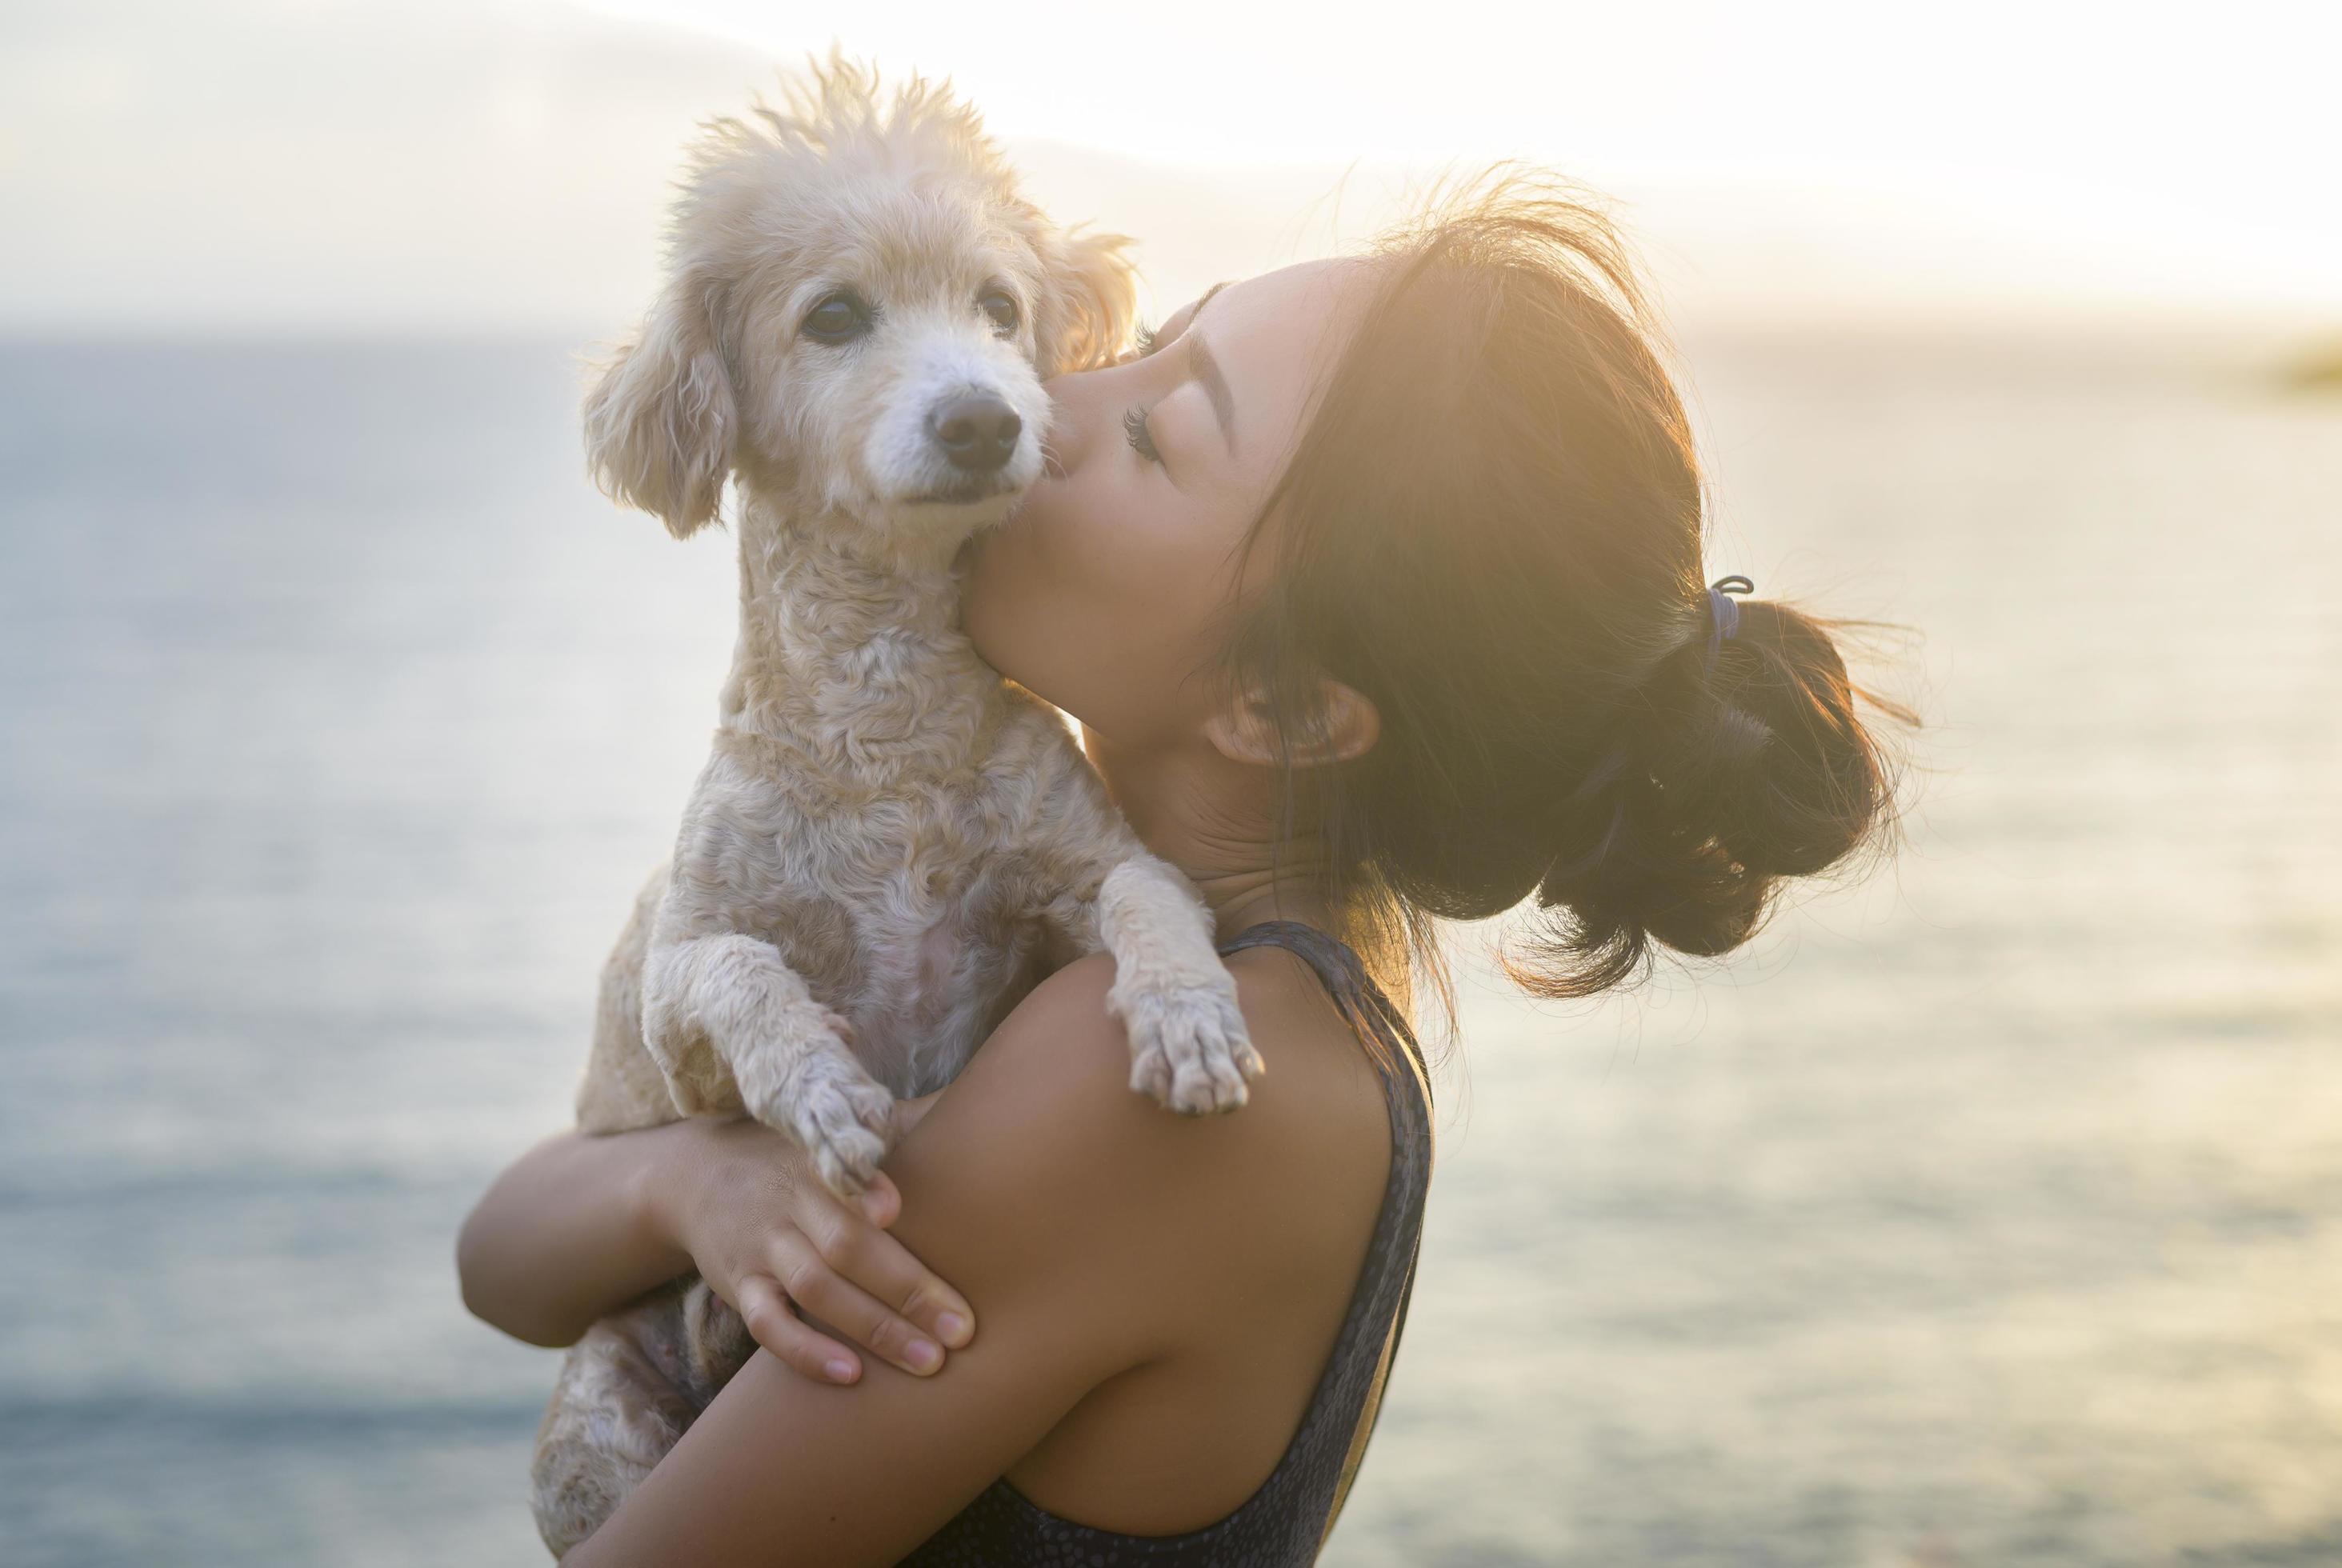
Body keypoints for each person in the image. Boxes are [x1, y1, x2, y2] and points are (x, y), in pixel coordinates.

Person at [457, 173, 1908, 1565]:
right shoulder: (1209, 971)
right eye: (1145, 344)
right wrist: (693, 1183)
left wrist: (682, 1184)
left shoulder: (1155, 1073)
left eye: (1157, 431)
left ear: (1278, 711)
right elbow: (508, 1249)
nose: (1049, 396)